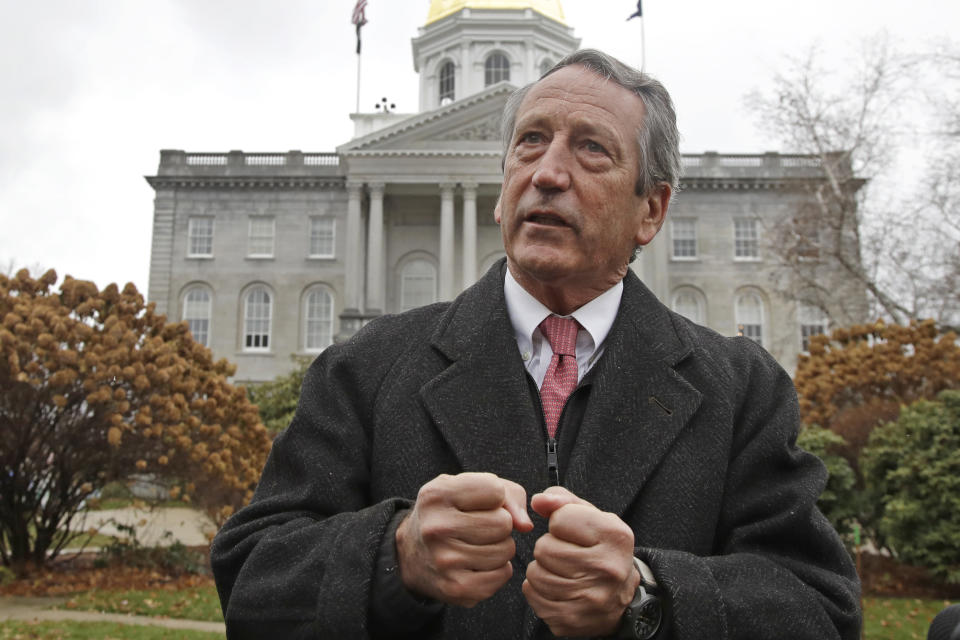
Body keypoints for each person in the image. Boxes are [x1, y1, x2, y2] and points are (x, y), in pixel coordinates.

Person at [211, 49, 861, 639]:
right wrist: (394, 555)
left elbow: (819, 610)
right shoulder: (367, 368)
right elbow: (253, 583)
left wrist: (650, 596)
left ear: (652, 210)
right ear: (500, 194)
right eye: (530, 142)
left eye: (591, 150)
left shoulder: (741, 390)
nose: (547, 173)